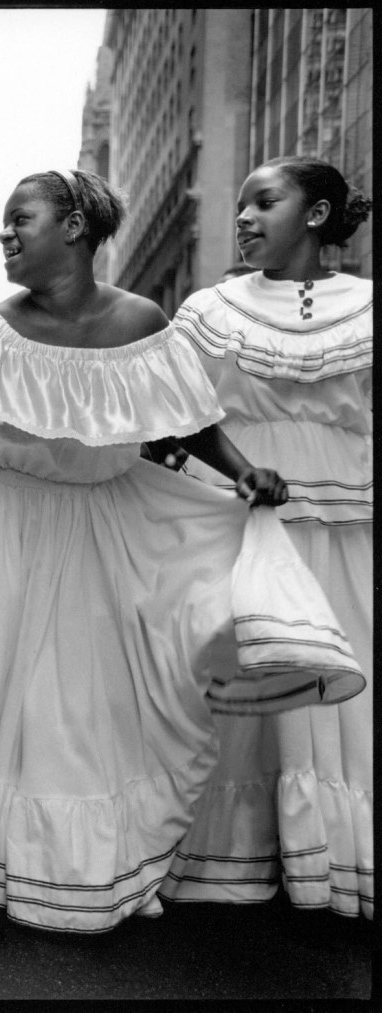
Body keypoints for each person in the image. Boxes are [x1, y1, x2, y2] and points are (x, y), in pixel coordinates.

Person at [0, 169, 364, 934]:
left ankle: (80, 863)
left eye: (21, 218)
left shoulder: (143, 320)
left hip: (102, 533)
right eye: (5, 221)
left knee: (79, 715)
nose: (6, 233)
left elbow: (186, 419)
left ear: (74, 228)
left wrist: (244, 472)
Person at [159, 157, 373, 919]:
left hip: (347, 521)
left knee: (339, 671)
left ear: (315, 215)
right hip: (237, 515)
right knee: (236, 669)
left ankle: (332, 852)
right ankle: (233, 850)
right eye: (241, 204)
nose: (243, 217)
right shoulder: (210, 310)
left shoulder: (368, 306)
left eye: (264, 201)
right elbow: (175, 412)